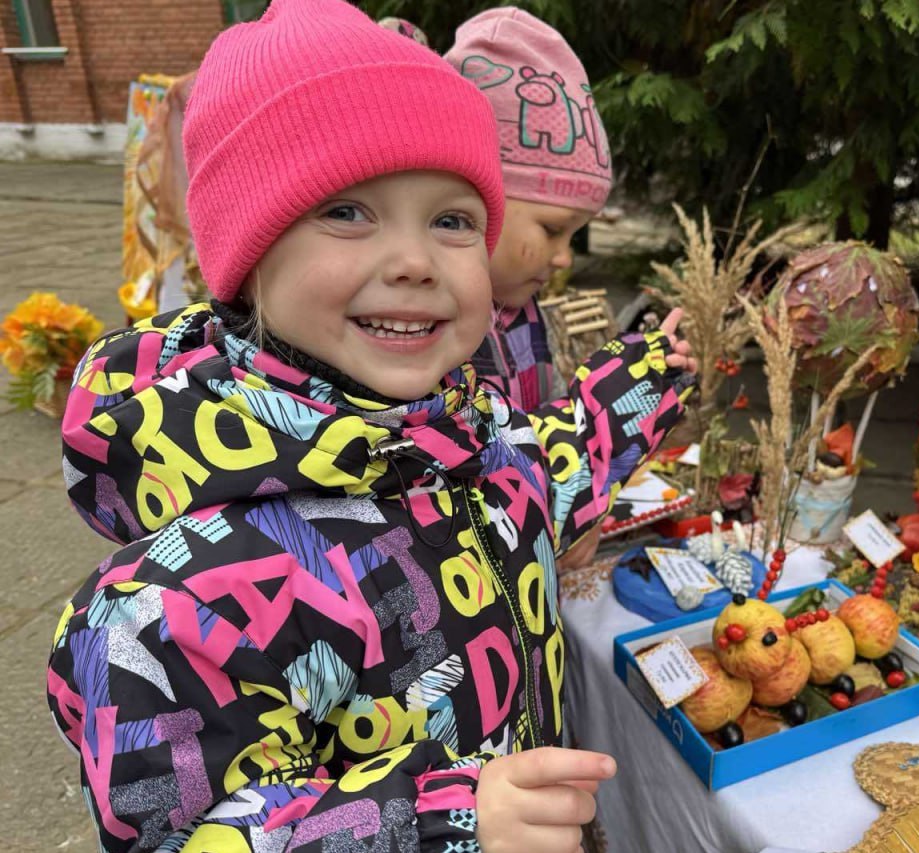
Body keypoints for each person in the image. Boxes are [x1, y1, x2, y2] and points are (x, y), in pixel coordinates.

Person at [45, 1, 695, 851]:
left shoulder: (474, 442)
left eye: (453, 220)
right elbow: (185, 833)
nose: (417, 261)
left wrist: (651, 375)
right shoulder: (181, 598)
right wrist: (449, 821)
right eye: (347, 212)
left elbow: (560, 464)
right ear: (246, 257)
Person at [445, 8, 617, 571]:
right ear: (481, 192)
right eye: (551, 229)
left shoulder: (519, 309)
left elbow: (534, 431)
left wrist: (570, 505)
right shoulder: (431, 332)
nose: (565, 256)